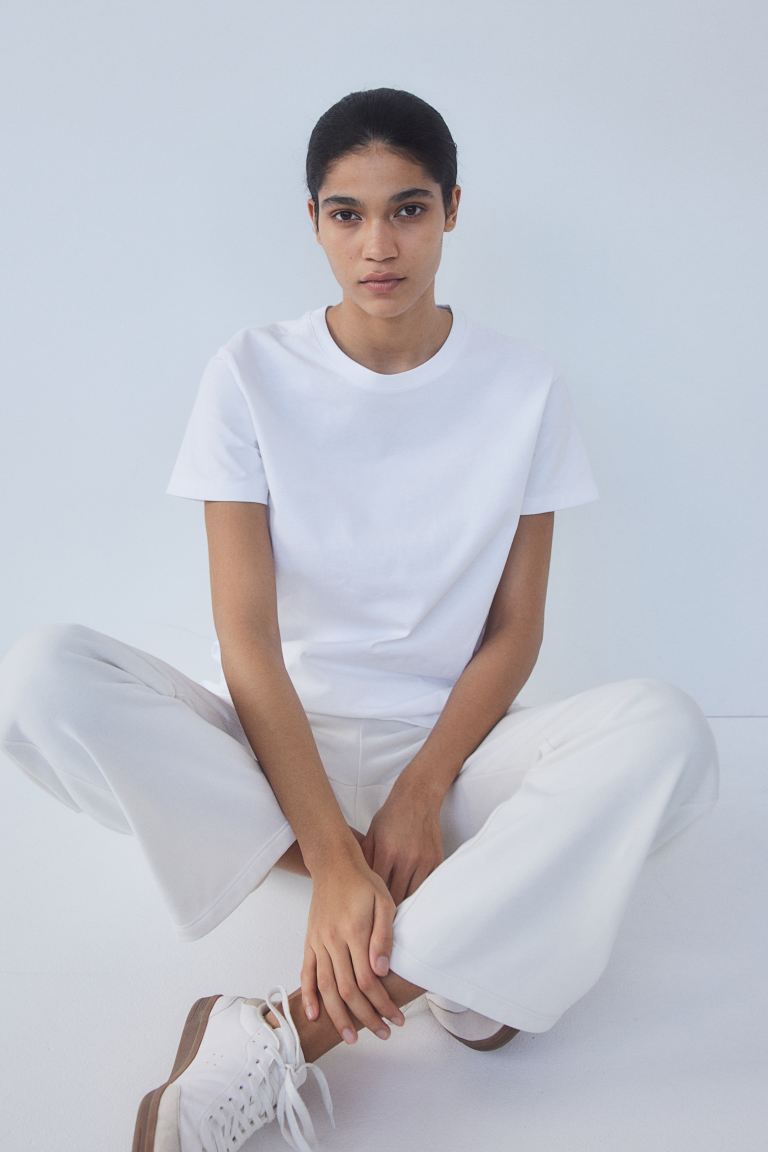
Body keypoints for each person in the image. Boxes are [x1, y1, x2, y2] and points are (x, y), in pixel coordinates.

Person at [0, 88, 719, 1152]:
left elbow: (515, 631)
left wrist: (421, 795)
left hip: (456, 766)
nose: (378, 245)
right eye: (347, 213)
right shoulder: (249, 373)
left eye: (408, 209)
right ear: (314, 221)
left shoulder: (526, 388)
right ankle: (469, 936)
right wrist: (335, 857)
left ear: (452, 210)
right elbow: (246, 638)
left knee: (669, 735)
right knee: (41, 675)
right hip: (280, 760)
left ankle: (284, 1033)